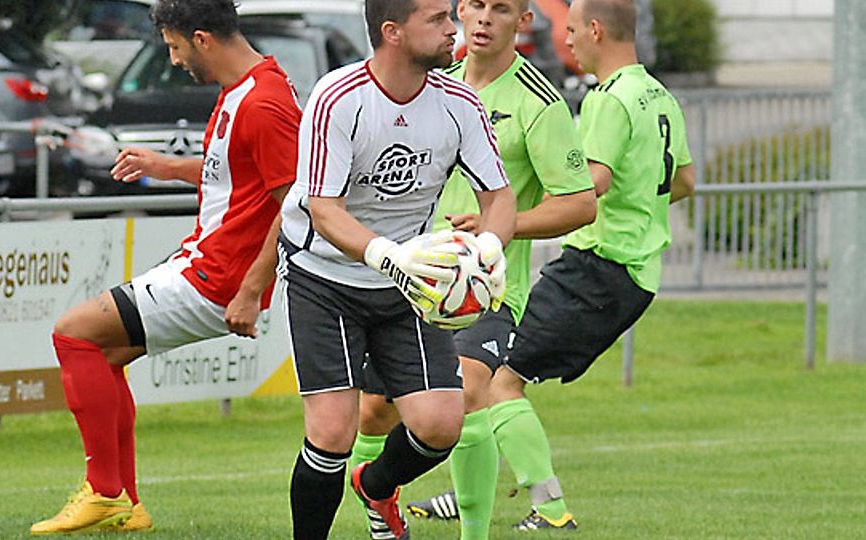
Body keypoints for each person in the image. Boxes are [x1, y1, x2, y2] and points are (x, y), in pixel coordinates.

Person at [29, 0, 302, 534]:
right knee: (104, 353)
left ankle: (106, 492)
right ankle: (126, 505)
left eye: (175, 48)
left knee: (74, 335)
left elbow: (294, 201)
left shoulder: (264, 101)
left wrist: (250, 288)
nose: (175, 61)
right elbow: (238, 173)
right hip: (207, 262)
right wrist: (168, 166)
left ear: (201, 39)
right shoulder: (245, 89)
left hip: (218, 277)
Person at [351, 1, 597, 538]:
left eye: (501, 8)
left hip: (485, 290)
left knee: (465, 394)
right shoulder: (433, 83)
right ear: (460, 11)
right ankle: (376, 497)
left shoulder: (539, 102)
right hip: (410, 280)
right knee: (371, 414)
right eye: (476, 5)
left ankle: (475, 535)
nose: (484, 18)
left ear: (523, 20)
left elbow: (580, 204)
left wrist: (495, 233)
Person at [279, 0, 517, 538]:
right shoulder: (337, 98)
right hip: (325, 279)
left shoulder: (460, 104)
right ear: (392, 31)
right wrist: (389, 254)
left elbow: (499, 198)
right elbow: (323, 209)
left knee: (440, 425)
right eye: (437, 19)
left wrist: (491, 248)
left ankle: (378, 486)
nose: (453, 29)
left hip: (412, 285)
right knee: (333, 432)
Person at [484, 0, 695, 531]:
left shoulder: (609, 98)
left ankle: (549, 509)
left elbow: (589, 186)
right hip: (635, 272)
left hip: (599, 268)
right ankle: (471, 489)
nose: (567, 41)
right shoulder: (658, 94)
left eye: (572, 30)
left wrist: (504, 223)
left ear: (596, 30)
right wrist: (638, 207)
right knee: (489, 377)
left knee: (498, 381)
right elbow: (686, 183)